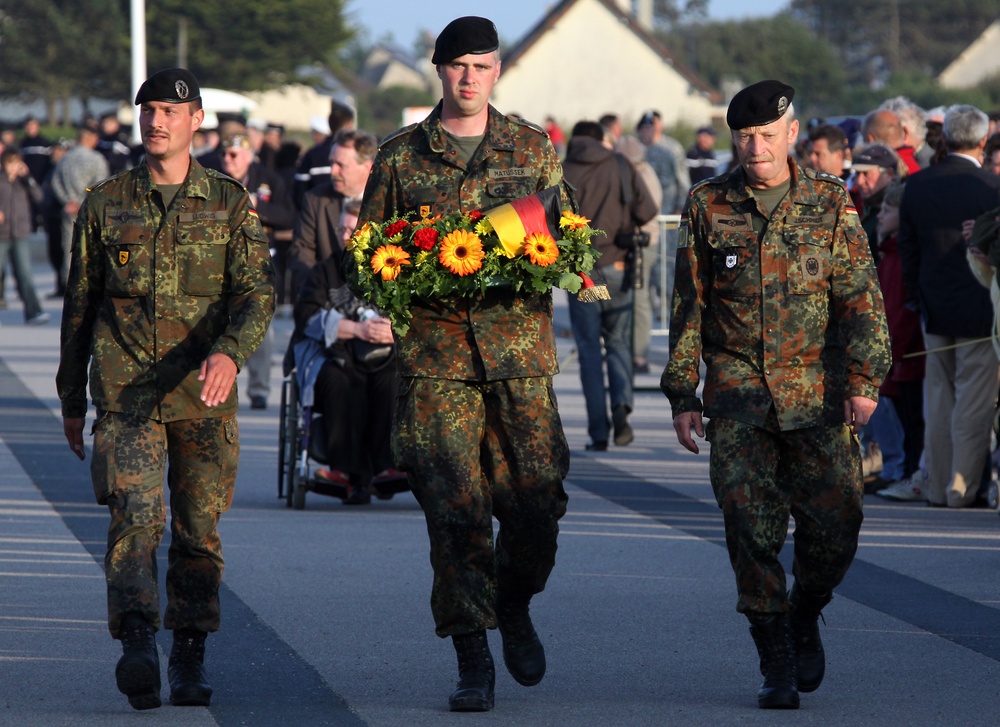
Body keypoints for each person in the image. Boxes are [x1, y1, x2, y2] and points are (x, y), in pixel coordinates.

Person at [350, 16, 570, 713]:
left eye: (481, 65)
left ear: (497, 70)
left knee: (539, 501)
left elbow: (563, 239)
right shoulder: (398, 157)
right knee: (456, 512)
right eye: (457, 66)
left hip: (518, 358)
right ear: (438, 72)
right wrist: (397, 279)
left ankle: (514, 597)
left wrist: (538, 252)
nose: (469, 77)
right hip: (436, 360)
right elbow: (367, 254)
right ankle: (473, 655)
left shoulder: (532, 150)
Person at [662, 80, 890, 710]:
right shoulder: (708, 204)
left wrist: (865, 382)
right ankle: (775, 657)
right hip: (738, 399)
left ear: (793, 134)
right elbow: (690, 307)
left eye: (766, 134)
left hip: (818, 395)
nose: (755, 146)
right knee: (750, 531)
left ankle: (805, 609)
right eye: (744, 136)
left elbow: (860, 298)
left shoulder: (831, 202)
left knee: (836, 528)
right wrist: (683, 393)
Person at [55, 68, 274, 711]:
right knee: (135, 520)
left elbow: (256, 293)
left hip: (203, 397)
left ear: (197, 120)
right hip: (126, 395)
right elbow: (79, 304)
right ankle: (137, 643)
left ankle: (190, 652)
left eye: (171, 111)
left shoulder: (230, 202)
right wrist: (72, 398)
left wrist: (232, 354)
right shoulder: (104, 203)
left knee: (198, 531)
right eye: (148, 109)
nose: (157, 121)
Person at [895, 104, 1000, 507]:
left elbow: (908, 248)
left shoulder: (919, 185)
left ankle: (938, 486)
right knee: (973, 402)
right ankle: (961, 488)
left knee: (937, 399)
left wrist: (916, 296)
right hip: (980, 306)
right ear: (983, 140)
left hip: (933, 305)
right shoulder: (990, 187)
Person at [285, 199, 401, 504]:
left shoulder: (392, 266)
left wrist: (393, 330)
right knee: (339, 380)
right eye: (342, 229)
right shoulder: (324, 271)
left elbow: (414, 315)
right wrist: (357, 329)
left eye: (353, 229)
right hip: (336, 352)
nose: (345, 235)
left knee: (392, 381)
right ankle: (346, 472)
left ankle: (385, 468)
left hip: (384, 354)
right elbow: (305, 316)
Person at [562, 121, 657, 450]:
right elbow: (648, 211)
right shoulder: (619, 163)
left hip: (584, 275)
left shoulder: (562, 171)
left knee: (590, 352)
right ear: (601, 138)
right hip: (618, 268)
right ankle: (621, 406)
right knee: (618, 343)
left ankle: (598, 432)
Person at [219, 131, 295, 410]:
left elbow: (288, 216)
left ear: (249, 155)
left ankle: (260, 389)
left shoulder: (268, 179)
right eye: (224, 154)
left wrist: (257, 206)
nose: (227, 160)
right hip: (222, 264)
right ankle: (222, 387)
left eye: (234, 155)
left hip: (261, 262)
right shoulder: (214, 180)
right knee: (221, 326)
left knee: (260, 327)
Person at [868, 181, 925, 495]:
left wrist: (891, 350)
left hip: (905, 357)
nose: (880, 216)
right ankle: (898, 469)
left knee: (913, 421)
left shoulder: (904, 257)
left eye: (888, 210)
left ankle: (908, 471)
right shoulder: (888, 254)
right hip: (893, 357)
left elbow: (905, 312)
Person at [287, 129, 376, 299]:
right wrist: (315, 290)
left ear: (367, 167)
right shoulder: (316, 199)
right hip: (328, 300)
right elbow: (302, 250)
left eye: (340, 165)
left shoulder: (388, 199)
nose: (333, 171)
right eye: (331, 163)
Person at [615, 134, 663, 375]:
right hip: (639, 241)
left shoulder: (642, 176)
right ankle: (630, 351)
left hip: (643, 243)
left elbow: (647, 212)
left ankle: (639, 354)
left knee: (640, 299)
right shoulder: (642, 173)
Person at [51, 119, 109, 292]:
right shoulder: (96, 159)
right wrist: (82, 201)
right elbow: (100, 186)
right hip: (90, 212)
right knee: (91, 248)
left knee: (69, 247)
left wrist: (68, 201)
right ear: (91, 138)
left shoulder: (65, 158)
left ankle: (70, 283)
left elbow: (55, 182)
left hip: (69, 211)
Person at [0, 148, 49, 324]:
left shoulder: (24, 182)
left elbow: (39, 197)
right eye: (10, 163)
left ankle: (34, 312)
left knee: (25, 274)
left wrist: (27, 177)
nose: (13, 167)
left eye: (16, 163)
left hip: (20, 232)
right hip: (2, 233)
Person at [294, 100, 355, 208]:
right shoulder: (355, 155)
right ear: (348, 124)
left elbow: (299, 193)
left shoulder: (312, 154)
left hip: (314, 213)